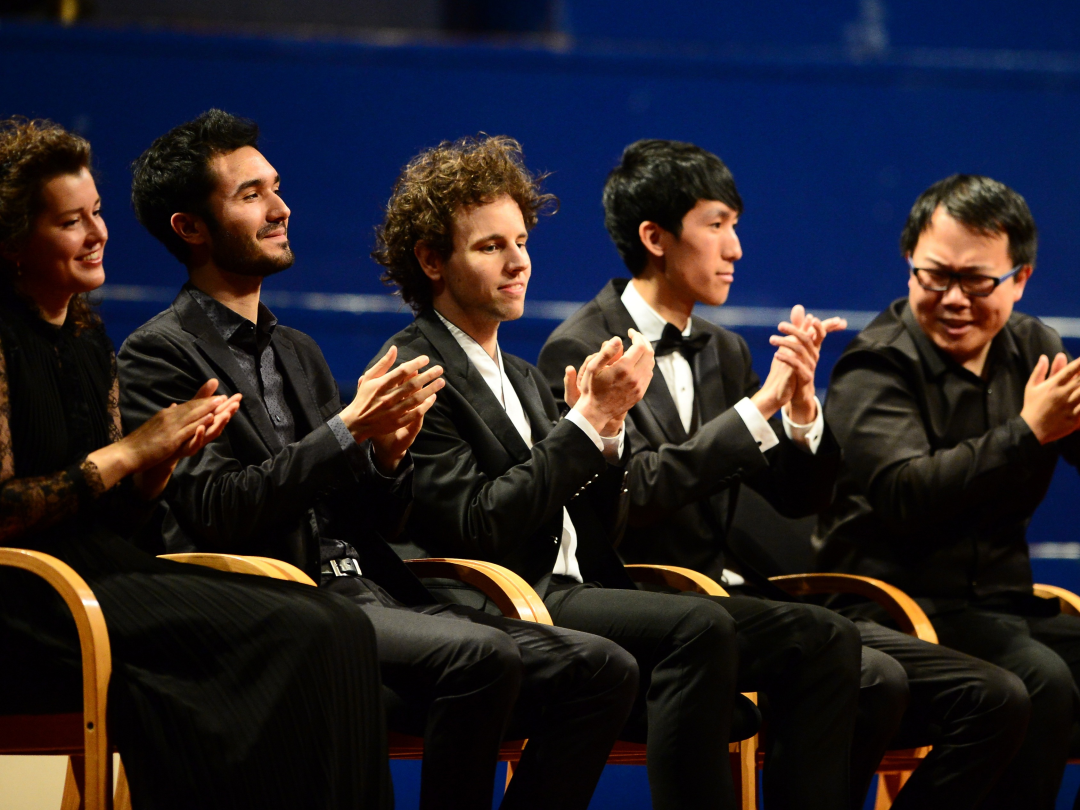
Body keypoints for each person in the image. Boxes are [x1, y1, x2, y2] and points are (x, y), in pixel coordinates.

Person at [118, 110, 638, 810]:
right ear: (190, 228)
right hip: (280, 601)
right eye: (250, 196)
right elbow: (216, 511)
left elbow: (376, 517)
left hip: (369, 590)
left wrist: (385, 458)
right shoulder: (159, 353)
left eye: (275, 187)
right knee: (481, 658)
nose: (281, 208)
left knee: (603, 668)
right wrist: (346, 432)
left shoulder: (296, 349)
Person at [537, 140, 1032, 810]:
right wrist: (756, 410)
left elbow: (803, 500)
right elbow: (635, 495)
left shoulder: (726, 348)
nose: (735, 248)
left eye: (735, 225)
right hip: (656, 608)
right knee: (857, 667)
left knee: (990, 695)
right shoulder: (582, 346)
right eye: (716, 225)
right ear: (654, 237)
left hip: (749, 601)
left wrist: (801, 414)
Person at [374, 133, 862, 810]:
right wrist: (590, 424)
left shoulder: (514, 369)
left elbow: (602, 515)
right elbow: (479, 525)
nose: (519, 263)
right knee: (699, 628)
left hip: (582, 581)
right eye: (492, 247)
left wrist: (601, 436)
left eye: (522, 242)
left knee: (824, 637)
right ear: (431, 260)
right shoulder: (416, 367)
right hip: (507, 596)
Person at [0, 116, 392, 810]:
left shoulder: (89, 336)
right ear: (14, 245)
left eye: (96, 213)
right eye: (70, 222)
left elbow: (124, 514)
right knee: (303, 631)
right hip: (35, 599)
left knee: (333, 626)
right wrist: (129, 452)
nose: (98, 235)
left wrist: (152, 470)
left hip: (105, 569)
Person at [816, 173, 1080, 810]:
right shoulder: (875, 363)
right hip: (896, 605)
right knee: (1039, 682)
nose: (955, 299)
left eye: (978, 281)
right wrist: (1026, 432)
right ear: (910, 265)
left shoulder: (1033, 349)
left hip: (1003, 603)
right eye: (935, 276)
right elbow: (908, 495)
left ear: (1021, 278)